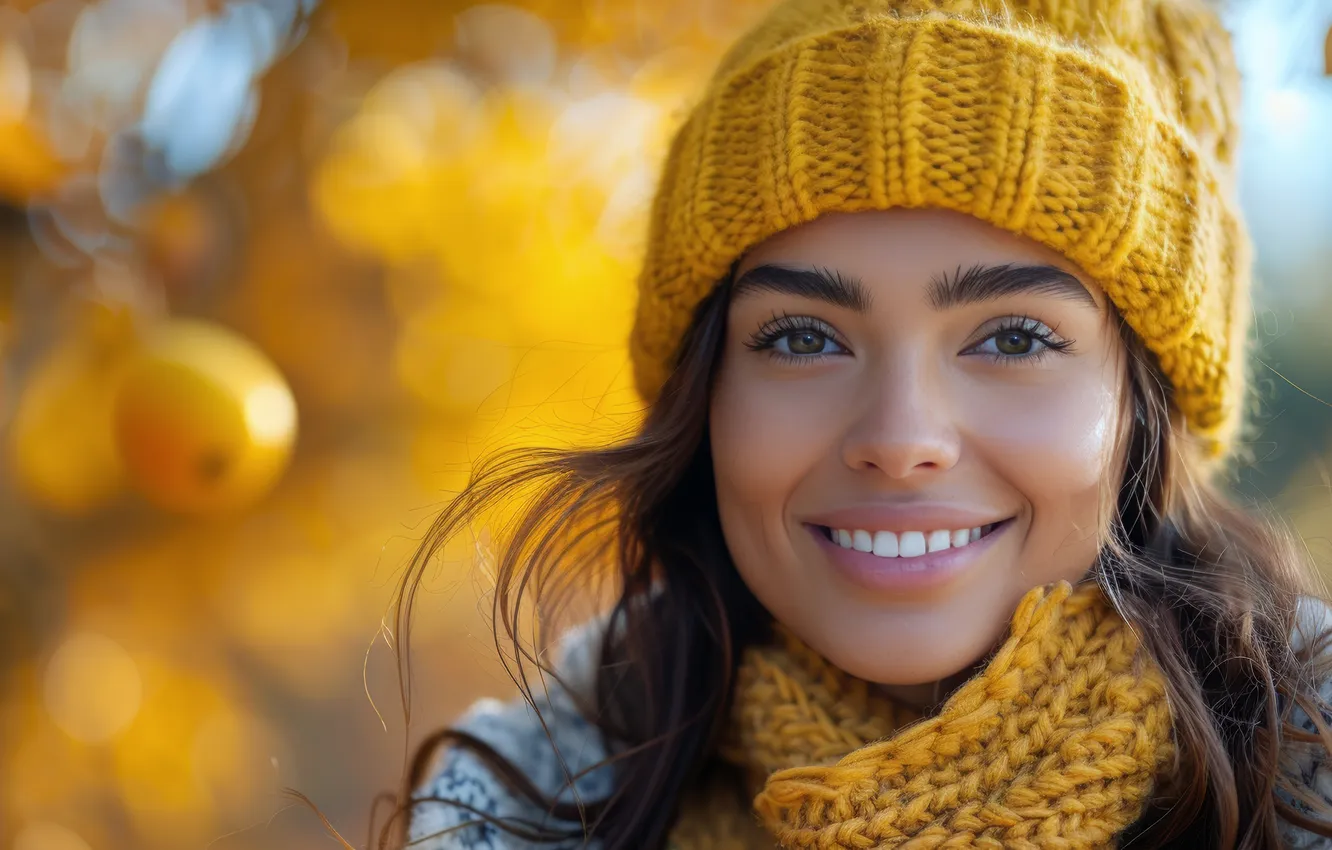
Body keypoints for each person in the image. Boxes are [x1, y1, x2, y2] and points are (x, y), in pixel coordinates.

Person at [392, 0, 1332, 846]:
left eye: (1013, 338)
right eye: (803, 338)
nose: (899, 436)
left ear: (1146, 407)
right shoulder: (515, 818)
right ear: (705, 394)